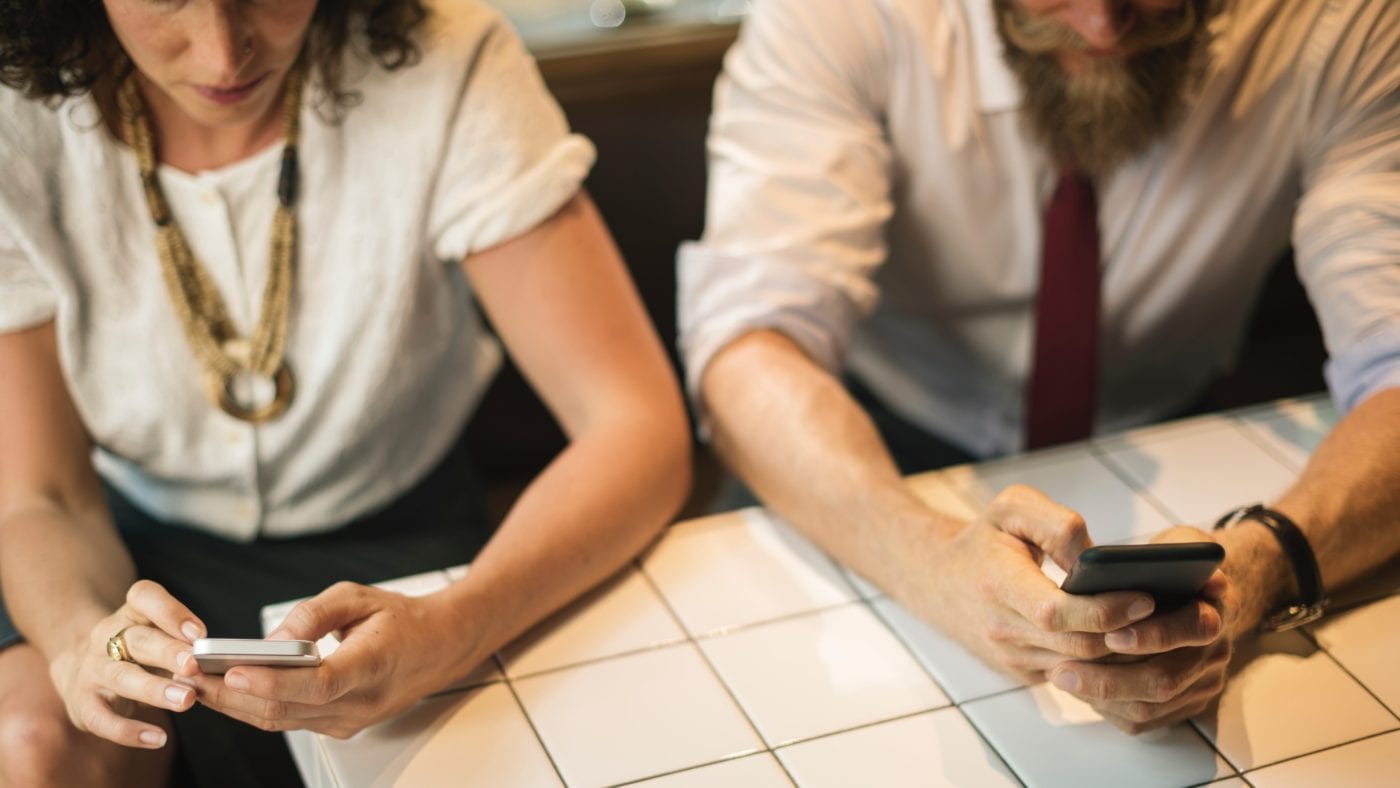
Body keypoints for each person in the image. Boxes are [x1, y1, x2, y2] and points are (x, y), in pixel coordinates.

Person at [0, 1, 692, 785]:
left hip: (399, 543)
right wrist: (81, 643)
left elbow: (636, 424)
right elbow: (43, 497)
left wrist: (460, 624)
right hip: (130, 554)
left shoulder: (444, 59)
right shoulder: (15, 118)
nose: (225, 55)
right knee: (29, 741)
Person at [679, 0, 1399, 734]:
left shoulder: (1337, 20)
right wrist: (927, 562)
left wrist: (1252, 574)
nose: (1102, 27)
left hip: (1171, 439)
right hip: (873, 447)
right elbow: (753, 342)